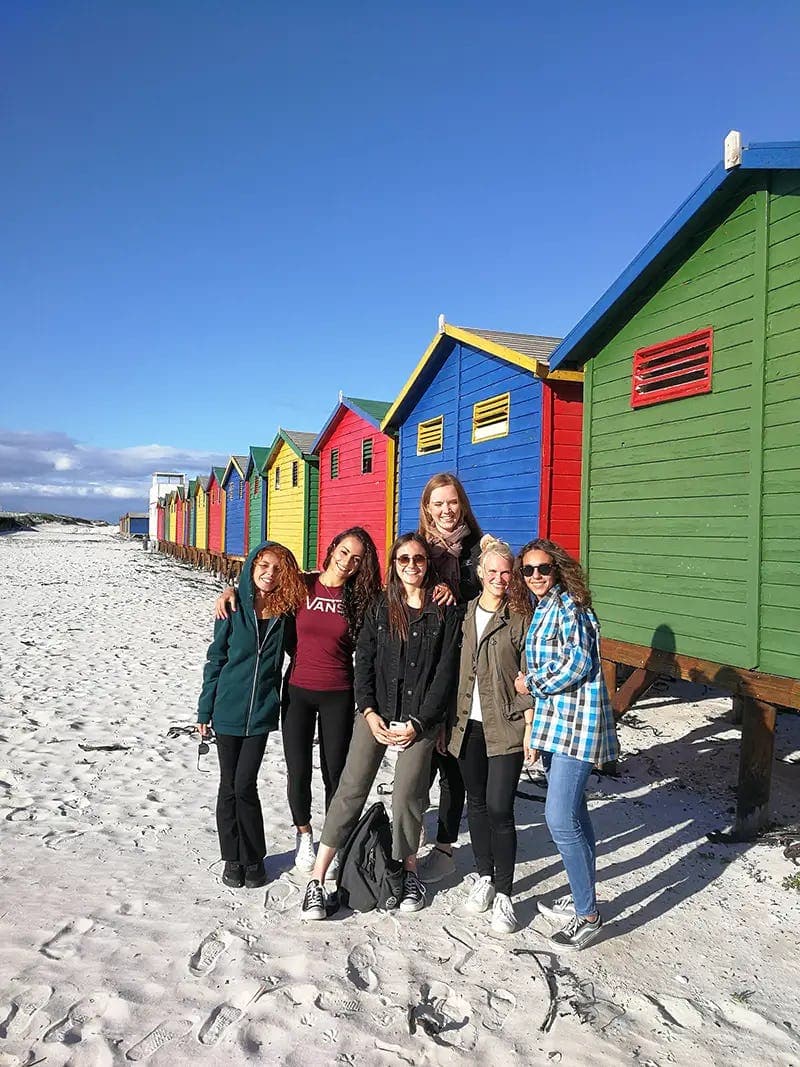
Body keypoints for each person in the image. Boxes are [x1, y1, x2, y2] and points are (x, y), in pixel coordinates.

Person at [301, 532, 461, 919]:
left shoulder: (445, 612)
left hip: (419, 720)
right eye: (403, 559)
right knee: (350, 789)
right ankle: (317, 879)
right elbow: (364, 663)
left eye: (419, 559)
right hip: (375, 711)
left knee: (408, 793)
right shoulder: (378, 606)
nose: (411, 566)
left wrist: (421, 723)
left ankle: (408, 872)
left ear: (429, 564)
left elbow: (445, 674)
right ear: (393, 565)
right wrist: (369, 712)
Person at [214, 528, 382, 875]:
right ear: (332, 548)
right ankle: (303, 835)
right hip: (298, 691)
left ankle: (333, 841)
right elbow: (261, 592)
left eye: (357, 558)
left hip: (339, 692)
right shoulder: (302, 586)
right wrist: (230, 590)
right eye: (344, 551)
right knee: (299, 770)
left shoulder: (362, 598)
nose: (348, 561)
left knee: (335, 773)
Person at [510, 538, 619, 950]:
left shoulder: (569, 605)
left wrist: (531, 683)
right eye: (528, 570)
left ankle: (588, 915)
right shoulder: (544, 606)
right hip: (558, 724)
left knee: (558, 819)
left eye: (543, 569)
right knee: (575, 814)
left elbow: (579, 661)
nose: (536, 576)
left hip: (577, 724)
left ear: (558, 569)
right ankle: (581, 897)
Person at [197, 541, 306, 889]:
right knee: (228, 785)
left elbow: (299, 651)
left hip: (260, 712)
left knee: (245, 784)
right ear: (252, 567)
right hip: (227, 709)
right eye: (263, 565)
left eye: (277, 568)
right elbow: (215, 660)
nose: (269, 573)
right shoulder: (232, 607)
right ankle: (233, 858)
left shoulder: (285, 613)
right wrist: (204, 709)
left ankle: (254, 856)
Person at [446, 535, 531, 934]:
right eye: (492, 571)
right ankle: (483, 876)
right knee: (476, 804)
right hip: (466, 725)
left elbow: (530, 675)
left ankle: (505, 893)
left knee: (501, 808)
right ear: (479, 573)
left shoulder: (518, 618)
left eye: (505, 572)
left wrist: (530, 726)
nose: (499, 578)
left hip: (506, 726)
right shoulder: (462, 615)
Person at [416, 473, 483, 884]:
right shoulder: (416, 550)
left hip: (466, 664)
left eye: (452, 502)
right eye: (438, 503)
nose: (446, 510)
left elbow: (502, 587)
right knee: (419, 756)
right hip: (422, 665)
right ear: (427, 508)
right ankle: (411, 831)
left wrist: (458, 594)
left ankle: (444, 846)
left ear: (462, 504)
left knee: (452, 757)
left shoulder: (479, 547)